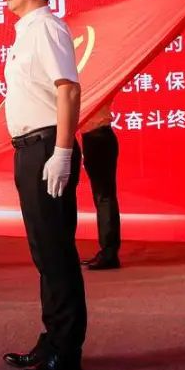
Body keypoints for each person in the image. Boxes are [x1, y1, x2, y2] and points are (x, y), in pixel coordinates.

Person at [0, 0, 86, 370]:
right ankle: (52, 340)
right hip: (28, 150)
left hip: (47, 147)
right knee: (44, 253)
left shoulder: (47, 28)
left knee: (56, 252)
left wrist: (63, 152)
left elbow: (68, 90)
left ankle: (66, 354)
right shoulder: (25, 33)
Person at [80, 100, 121, 270]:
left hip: (98, 137)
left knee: (104, 196)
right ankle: (107, 251)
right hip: (94, 137)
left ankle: (109, 253)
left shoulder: (91, 87)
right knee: (102, 196)